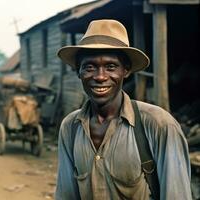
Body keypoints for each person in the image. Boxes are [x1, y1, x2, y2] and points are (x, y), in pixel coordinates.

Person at [55, 20, 192, 199]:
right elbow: (66, 195)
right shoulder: (70, 127)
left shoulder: (158, 124)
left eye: (111, 67)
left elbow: (177, 195)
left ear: (125, 71)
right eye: (89, 67)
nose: (100, 76)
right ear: (78, 72)